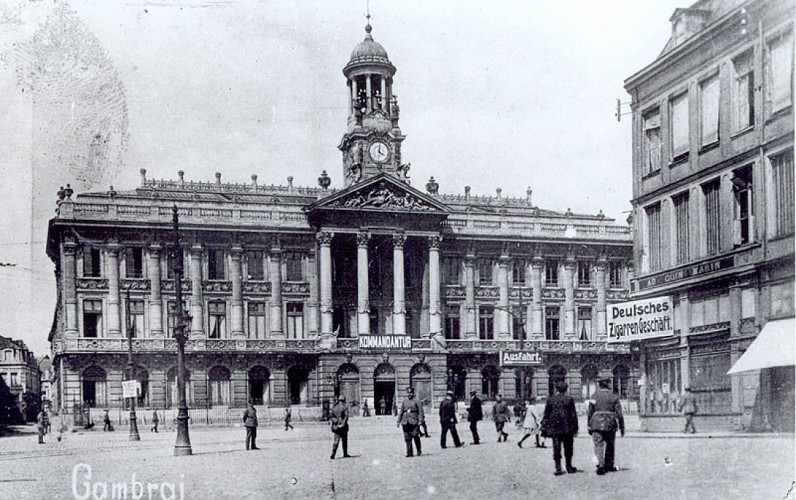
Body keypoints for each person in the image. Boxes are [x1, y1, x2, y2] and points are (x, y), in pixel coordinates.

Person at [587, 378, 625, 475]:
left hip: (596, 423)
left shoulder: (594, 396)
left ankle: (600, 464)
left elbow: (589, 412)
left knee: (598, 444)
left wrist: (589, 424)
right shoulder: (614, 397)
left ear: (599, 385)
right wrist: (622, 427)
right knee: (610, 444)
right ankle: (609, 465)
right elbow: (620, 414)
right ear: (608, 385)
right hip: (610, 423)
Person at [541, 382, 579, 476]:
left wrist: (544, 425)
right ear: (566, 390)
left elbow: (546, 414)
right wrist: (575, 427)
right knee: (568, 448)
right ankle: (569, 467)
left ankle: (558, 468)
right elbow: (573, 415)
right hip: (567, 427)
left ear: (556, 389)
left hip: (555, 427)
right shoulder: (569, 399)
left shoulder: (551, 400)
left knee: (556, 447)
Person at [396, 387, 425, 457]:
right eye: (408, 393)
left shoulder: (417, 401)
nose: (409, 394)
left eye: (411, 393)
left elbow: (421, 412)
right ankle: (409, 452)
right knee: (407, 438)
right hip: (405, 421)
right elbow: (401, 411)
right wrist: (398, 421)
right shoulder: (404, 401)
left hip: (414, 421)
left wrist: (420, 420)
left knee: (415, 436)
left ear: (413, 393)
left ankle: (418, 450)